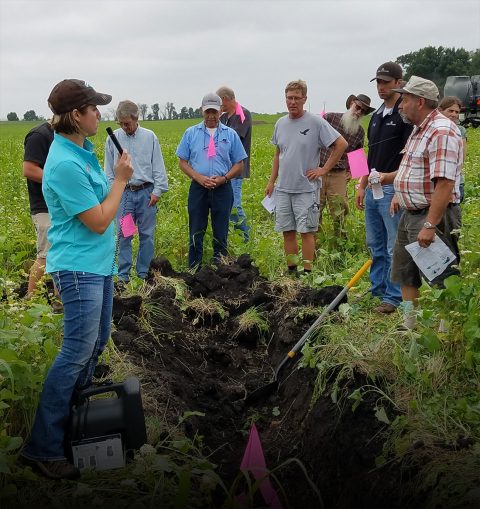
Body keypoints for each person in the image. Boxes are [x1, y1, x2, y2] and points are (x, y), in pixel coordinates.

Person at [21, 79, 133, 479]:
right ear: (75, 116)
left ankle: (73, 426)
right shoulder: (65, 164)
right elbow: (100, 220)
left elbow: (102, 205)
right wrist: (120, 180)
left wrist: (114, 183)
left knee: (95, 345)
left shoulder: (82, 153)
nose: (99, 115)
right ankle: (43, 448)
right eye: (93, 109)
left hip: (98, 267)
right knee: (74, 354)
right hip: (78, 268)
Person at [377, 76, 463, 330]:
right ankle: (409, 325)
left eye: (405, 99)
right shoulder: (419, 129)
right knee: (406, 272)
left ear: (420, 102)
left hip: (432, 214)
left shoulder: (442, 131)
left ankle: (448, 332)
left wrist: (429, 224)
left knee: (442, 276)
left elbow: (445, 183)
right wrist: (394, 187)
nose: (401, 105)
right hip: (410, 213)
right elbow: (411, 169)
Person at [265, 79, 347, 275]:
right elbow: (278, 154)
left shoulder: (316, 123)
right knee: (287, 231)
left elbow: (341, 144)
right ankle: (292, 271)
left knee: (307, 231)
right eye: (289, 98)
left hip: (306, 189)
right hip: (284, 188)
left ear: (304, 99)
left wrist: (323, 169)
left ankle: (308, 272)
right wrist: (271, 181)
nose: (292, 102)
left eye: (296, 98)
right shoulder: (280, 123)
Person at [355, 62, 413, 313]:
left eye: (386, 82)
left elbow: (409, 158)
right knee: (375, 244)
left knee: (393, 245)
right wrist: (361, 184)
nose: (381, 86)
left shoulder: (405, 117)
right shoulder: (377, 116)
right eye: (378, 82)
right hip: (372, 189)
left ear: (399, 83)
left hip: (392, 189)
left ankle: (393, 297)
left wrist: (399, 189)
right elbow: (369, 155)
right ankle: (377, 289)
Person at [176, 93, 247, 269]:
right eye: (207, 111)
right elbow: (182, 162)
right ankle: (194, 268)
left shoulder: (230, 135)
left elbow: (239, 163)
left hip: (223, 189)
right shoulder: (191, 133)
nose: (211, 116)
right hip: (198, 188)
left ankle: (220, 268)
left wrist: (224, 178)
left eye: (214, 111)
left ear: (221, 111)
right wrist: (198, 177)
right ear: (202, 111)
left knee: (221, 230)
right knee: (196, 229)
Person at [104, 100, 168, 284]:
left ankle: (143, 275)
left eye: (127, 123)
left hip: (146, 193)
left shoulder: (149, 137)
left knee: (147, 235)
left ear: (136, 118)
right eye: (121, 123)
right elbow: (108, 170)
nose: (124, 127)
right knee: (125, 235)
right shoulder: (112, 138)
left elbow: (158, 165)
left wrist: (157, 191)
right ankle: (123, 277)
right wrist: (114, 193)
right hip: (125, 195)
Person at [318, 93, 374, 237]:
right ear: (351, 104)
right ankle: (315, 244)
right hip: (319, 171)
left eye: (363, 111)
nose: (359, 112)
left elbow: (357, 156)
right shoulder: (329, 118)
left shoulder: (360, 132)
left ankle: (339, 244)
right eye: (358, 107)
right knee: (314, 209)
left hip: (338, 174)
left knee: (340, 211)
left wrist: (350, 173)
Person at [22, 121, 54, 296]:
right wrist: (59, 182)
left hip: (61, 204)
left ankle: (60, 301)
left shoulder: (66, 137)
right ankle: (30, 299)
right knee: (46, 255)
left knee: (60, 255)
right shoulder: (39, 136)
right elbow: (29, 169)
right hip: (43, 206)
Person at [216, 86, 252, 241]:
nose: (219, 106)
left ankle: (245, 239)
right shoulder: (223, 117)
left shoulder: (242, 114)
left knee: (235, 206)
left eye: (219, 102)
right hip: (223, 169)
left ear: (225, 98)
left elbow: (233, 138)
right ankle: (234, 238)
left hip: (236, 168)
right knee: (227, 205)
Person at [438, 96, 467, 202]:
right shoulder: (433, 128)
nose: (454, 114)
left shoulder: (460, 130)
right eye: (450, 110)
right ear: (440, 110)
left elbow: (462, 158)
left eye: (456, 112)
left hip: (455, 183)